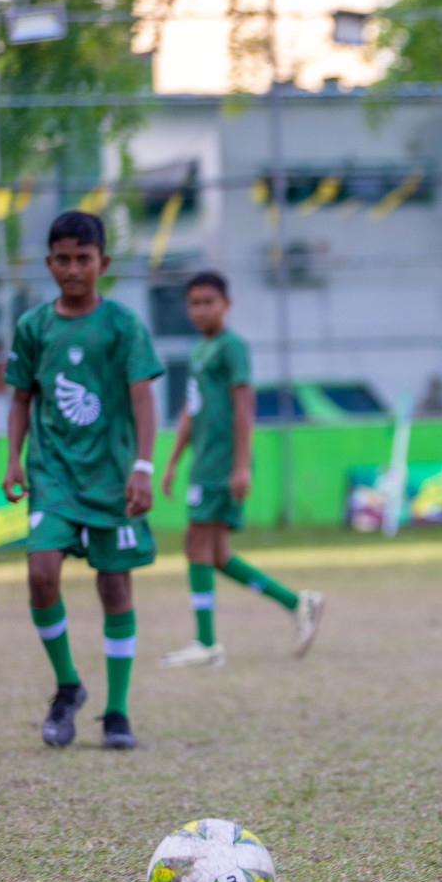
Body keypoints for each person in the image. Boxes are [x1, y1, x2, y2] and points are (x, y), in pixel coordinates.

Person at [2, 212, 162, 750]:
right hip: (53, 476)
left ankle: (117, 712)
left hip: (112, 478)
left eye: (84, 259)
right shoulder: (33, 327)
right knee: (41, 573)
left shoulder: (122, 324)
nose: (73, 269)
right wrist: (14, 460)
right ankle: (67, 686)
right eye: (63, 259)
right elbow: (21, 397)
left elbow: (143, 397)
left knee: (114, 585)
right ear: (49, 263)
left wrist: (143, 466)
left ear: (103, 263)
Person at [158, 272, 324, 668]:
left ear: (226, 305)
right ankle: (297, 602)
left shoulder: (232, 348)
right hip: (203, 462)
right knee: (215, 555)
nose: (201, 310)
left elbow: (245, 404)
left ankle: (207, 643)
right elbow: (190, 409)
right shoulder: (200, 350)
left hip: (221, 462)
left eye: (208, 302)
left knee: (196, 545)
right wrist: (172, 460)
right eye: (194, 303)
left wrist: (241, 465)